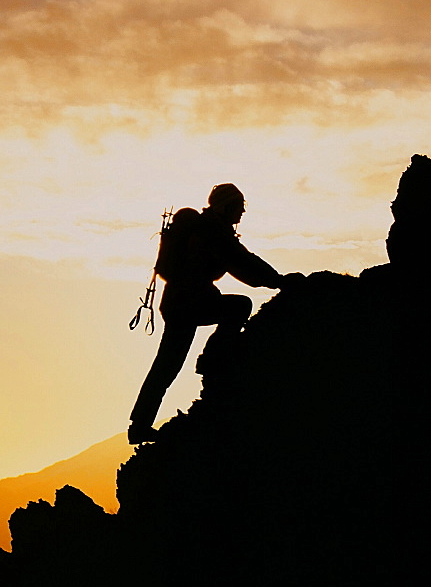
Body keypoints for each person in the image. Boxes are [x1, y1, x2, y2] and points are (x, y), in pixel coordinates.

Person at [128, 183, 302, 445]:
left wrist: (274, 280)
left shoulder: (205, 228)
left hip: (178, 302)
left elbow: (239, 259)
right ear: (226, 206)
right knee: (239, 306)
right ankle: (213, 358)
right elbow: (242, 261)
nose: (241, 213)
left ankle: (139, 425)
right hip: (191, 301)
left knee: (167, 365)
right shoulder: (212, 231)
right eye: (238, 207)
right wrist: (277, 280)